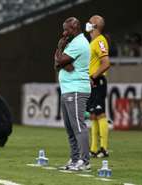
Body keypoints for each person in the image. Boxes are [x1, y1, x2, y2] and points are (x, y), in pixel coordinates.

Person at [54, 17, 91, 171]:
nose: (64, 33)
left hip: (76, 89)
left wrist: (60, 51)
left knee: (78, 126)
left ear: (75, 28)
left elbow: (61, 61)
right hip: (68, 89)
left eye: (67, 29)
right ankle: (75, 159)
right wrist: (61, 57)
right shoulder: (72, 43)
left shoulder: (79, 43)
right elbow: (58, 65)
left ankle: (84, 161)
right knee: (70, 128)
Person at [85, 15, 111, 158]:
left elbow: (106, 63)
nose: (87, 24)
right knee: (94, 115)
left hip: (98, 81)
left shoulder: (100, 41)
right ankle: (94, 149)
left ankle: (104, 148)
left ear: (95, 25)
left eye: (89, 22)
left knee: (100, 114)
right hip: (93, 82)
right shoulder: (92, 42)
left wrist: (93, 76)